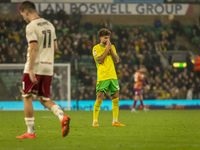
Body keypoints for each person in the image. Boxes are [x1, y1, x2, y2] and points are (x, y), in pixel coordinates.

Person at [16, 1, 70, 139]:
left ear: (26, 12)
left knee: (26, 96)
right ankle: (61, 116)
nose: (23, 18)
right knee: (44, 99)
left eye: (23, 15)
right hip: (48, 66)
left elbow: (33, 48)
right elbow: (56, 47)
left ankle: (30, 132)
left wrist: (31, 69)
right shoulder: (49, 24)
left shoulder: (31, 26)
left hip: (35, 66)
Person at [92, 28, 125, 127]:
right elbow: (100, 60)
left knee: (116, 98)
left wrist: (111, 50)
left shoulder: (112, 47)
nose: (107, 40)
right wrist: (106, 50)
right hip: (103, 76)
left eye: (108, 38)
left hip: (113, 76)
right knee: (100, 97)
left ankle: (115, 121)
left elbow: (117, 60)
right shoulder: (95, 48)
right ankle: (95, 121)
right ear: (100, 38)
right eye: (105, 38)